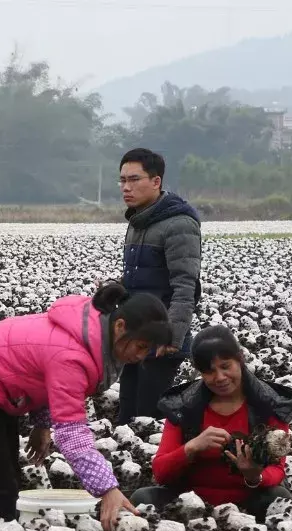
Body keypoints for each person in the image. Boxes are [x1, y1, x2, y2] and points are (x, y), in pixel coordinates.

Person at [0, 282, 174, 531]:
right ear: (120, 326)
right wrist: (107, 489)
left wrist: (42, 424)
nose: (141, 356)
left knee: (8, 472)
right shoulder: (72, 354)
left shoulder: (97, 338)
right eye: (140, 347)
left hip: (0, 383)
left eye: (147, 350)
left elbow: (45, 380)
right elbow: (71, 433)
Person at [133, 326, 292, 520]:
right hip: (189, 501)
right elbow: (161, 473)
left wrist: (254, 476)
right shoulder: (183, 407)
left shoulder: (270, 405)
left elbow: (277, 470)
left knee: (280, 498)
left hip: (248, 502)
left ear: (240, 359)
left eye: (226, 366)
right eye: (210, 371)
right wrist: (192, 447)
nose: (220, 377)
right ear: (199, 372)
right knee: (142, 498)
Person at [117, 147, 203, 424]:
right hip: (135, 336)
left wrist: (172, 337)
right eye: (122, 180)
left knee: (148, 417)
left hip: (161, 339)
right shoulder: (139, 221)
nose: (126, 187)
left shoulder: (178, 225)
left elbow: (185, 287)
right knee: (127, 415)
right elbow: (143, 278)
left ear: (156, 182)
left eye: (134, 179)